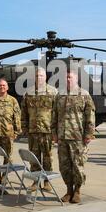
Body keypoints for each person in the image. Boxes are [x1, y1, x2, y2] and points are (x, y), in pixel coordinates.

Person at [52, 70, 96, 204]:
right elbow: (54, 115)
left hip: (77, 136)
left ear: (76, 79)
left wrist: (89, 134)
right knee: (64, 166)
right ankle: (68, 190)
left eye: (70, 77)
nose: (68, 79)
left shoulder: (84, 94)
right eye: (66, 77)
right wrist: (54, 133)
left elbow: (90, 115)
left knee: (78, 165)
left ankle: (77, 191)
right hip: (62, 136)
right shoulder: (60, 95)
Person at [21, 67, 57, 192]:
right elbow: (24, 113)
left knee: (47, 157)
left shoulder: (53, 92)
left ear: (45, 77)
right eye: (36, 76)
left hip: (48, 131)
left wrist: (55, 131)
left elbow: (57, 113)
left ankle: (47, 181)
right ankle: (35, 181)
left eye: (41, 76)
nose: (38, 78)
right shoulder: (28, 93)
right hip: (33, 131)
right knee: (34, 158)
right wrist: (24, 128)